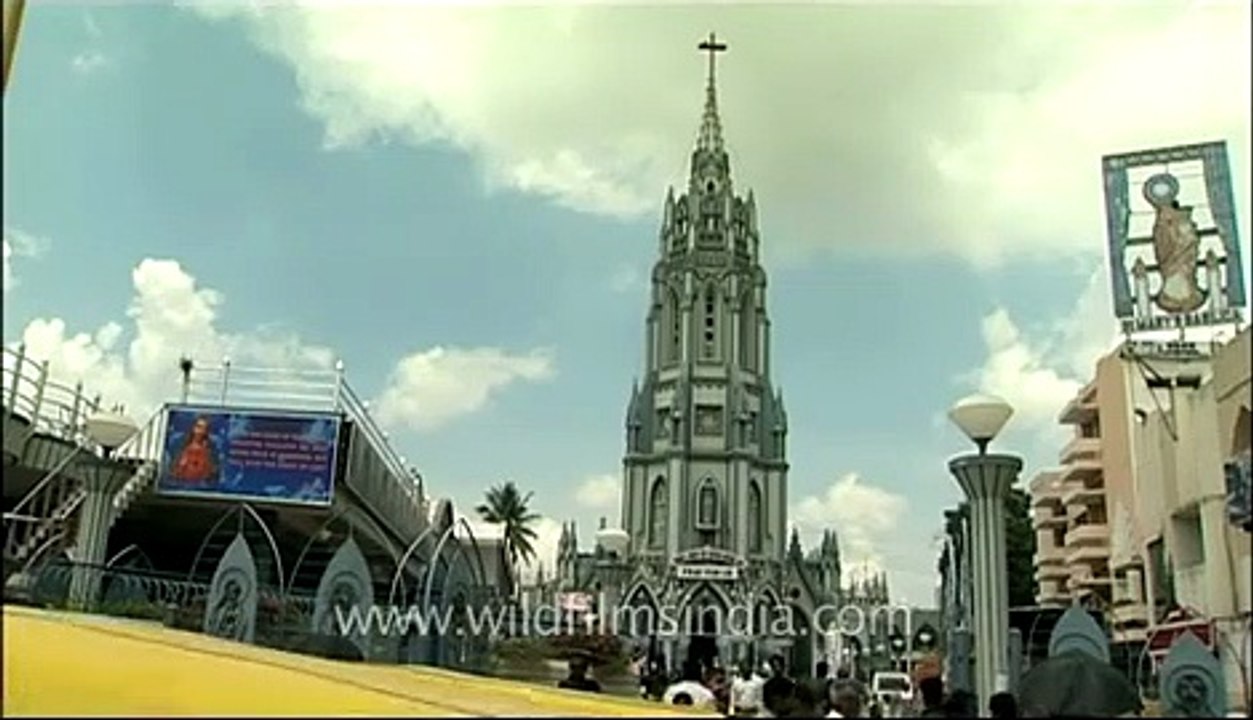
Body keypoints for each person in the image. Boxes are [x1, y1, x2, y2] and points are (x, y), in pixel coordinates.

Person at [170, 416, 220, 485]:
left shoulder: (212, 450)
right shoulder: (179, 445)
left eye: (204, 428)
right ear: (193, 428)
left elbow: (214, 473)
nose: (200, 431)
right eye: (199, 427)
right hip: (181, 485)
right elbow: (172, 470)